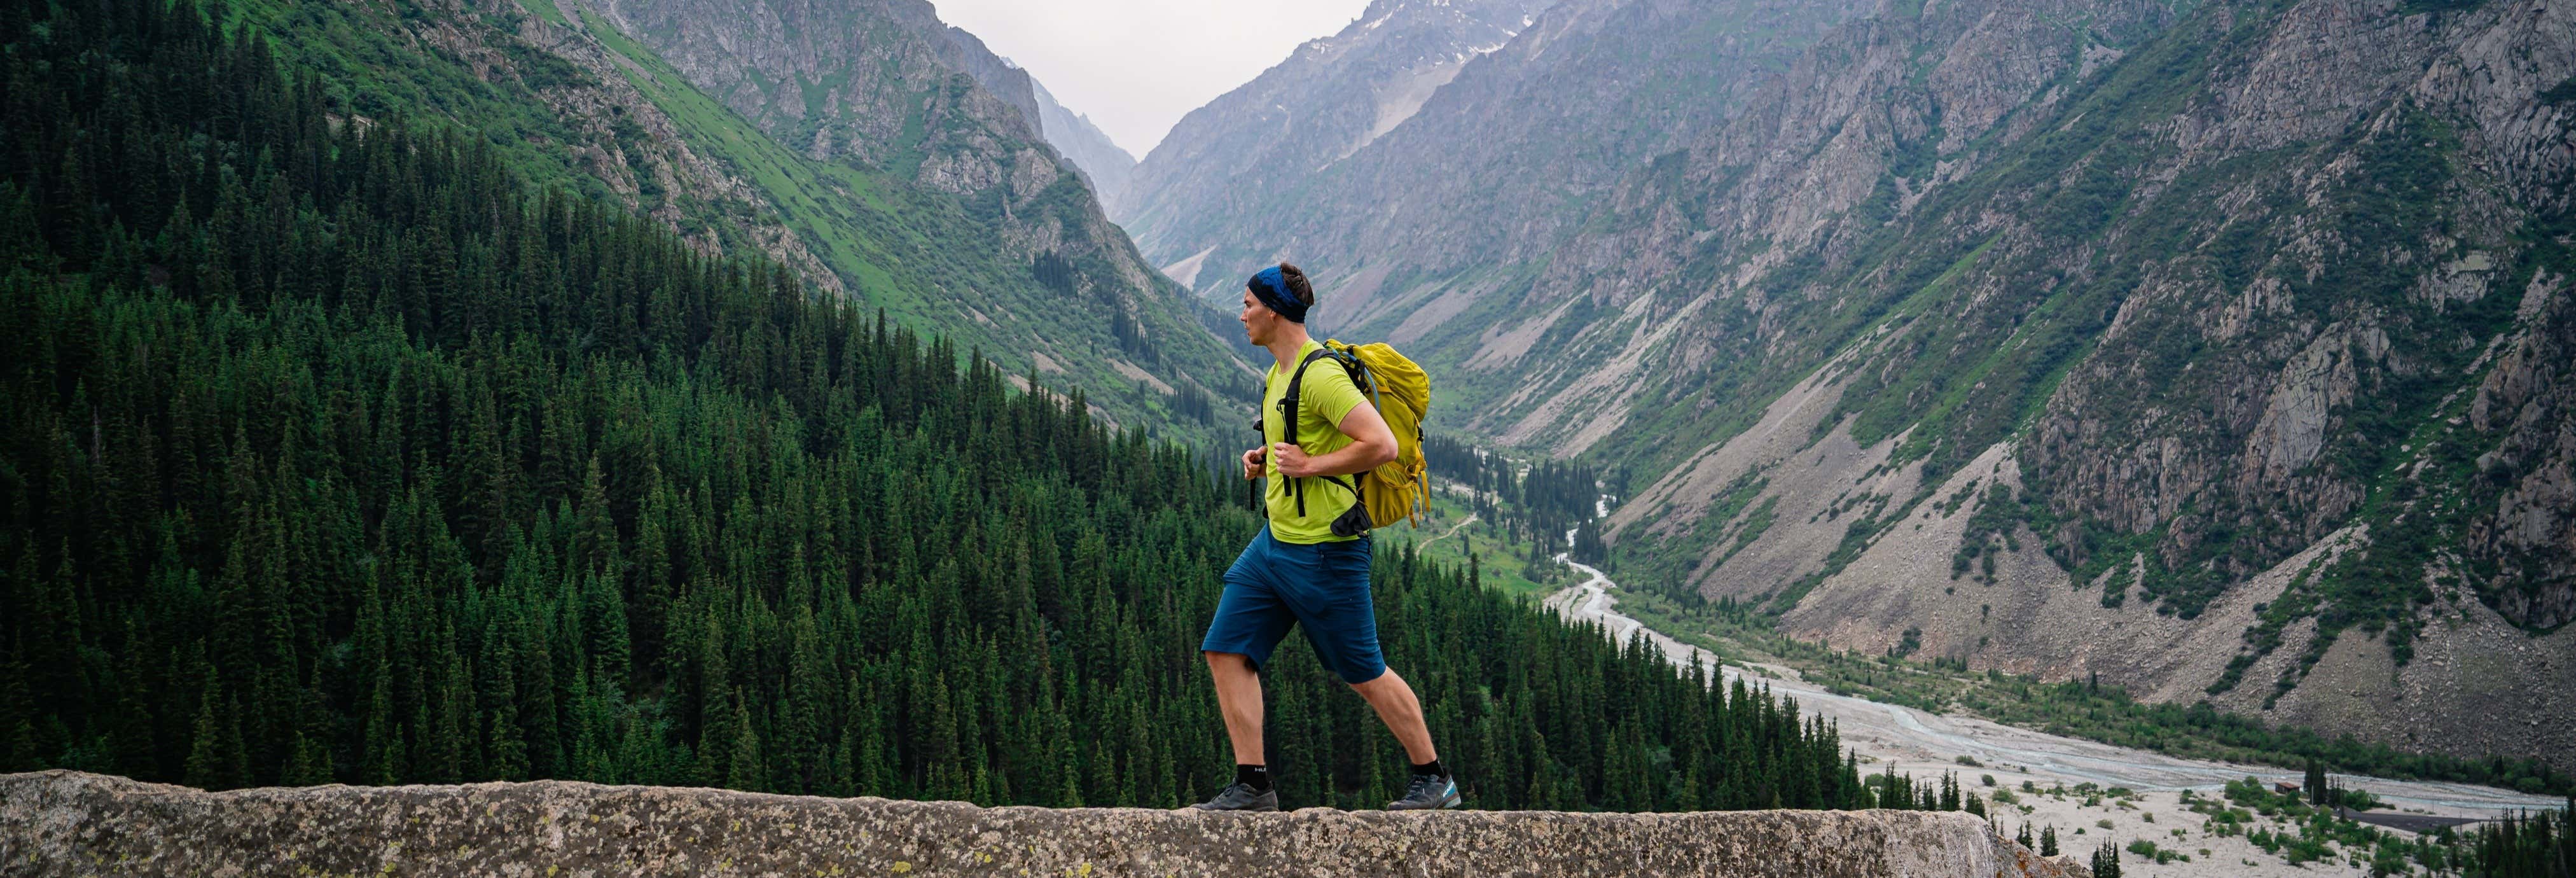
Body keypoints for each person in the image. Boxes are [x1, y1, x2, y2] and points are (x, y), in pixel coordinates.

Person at [1188, 263, 1458, 812]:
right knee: (1225, 650)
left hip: (1326, 553)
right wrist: (1268, 463)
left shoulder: (1320, 375)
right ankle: (1253, 785)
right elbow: (1300, 443)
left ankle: (1435, 779)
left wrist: (1311, 466)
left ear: (1275, 311)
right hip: (1274, 547)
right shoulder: (1279, 375)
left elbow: (1381, 444)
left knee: (1364, 671)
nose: (1241, 315)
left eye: (1247, 305)